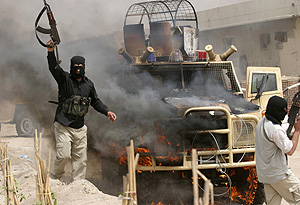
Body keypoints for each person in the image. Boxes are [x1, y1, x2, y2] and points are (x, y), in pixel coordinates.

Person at [46, 40, 117, 181]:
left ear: (84, 67)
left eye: (80, 66)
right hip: (63, 126)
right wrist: (50, 51)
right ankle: (55, 179)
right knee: (64, 155)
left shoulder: (89, 84)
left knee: (80, 161)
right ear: (71, 66)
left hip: (80, 128)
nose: (78, 68)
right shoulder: (64, 79)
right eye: (75, 66)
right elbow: (53, 67)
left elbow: (95, 101)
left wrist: (107, 111)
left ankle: (78, 186)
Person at [255, 96, 300, 204]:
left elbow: (276, 142)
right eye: (284, 110)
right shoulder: (276, 130)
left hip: (265, 175)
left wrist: (290, 136)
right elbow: (290, 150)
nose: (285, 113)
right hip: (278, 175)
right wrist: (297, 130)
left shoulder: (262, 122)